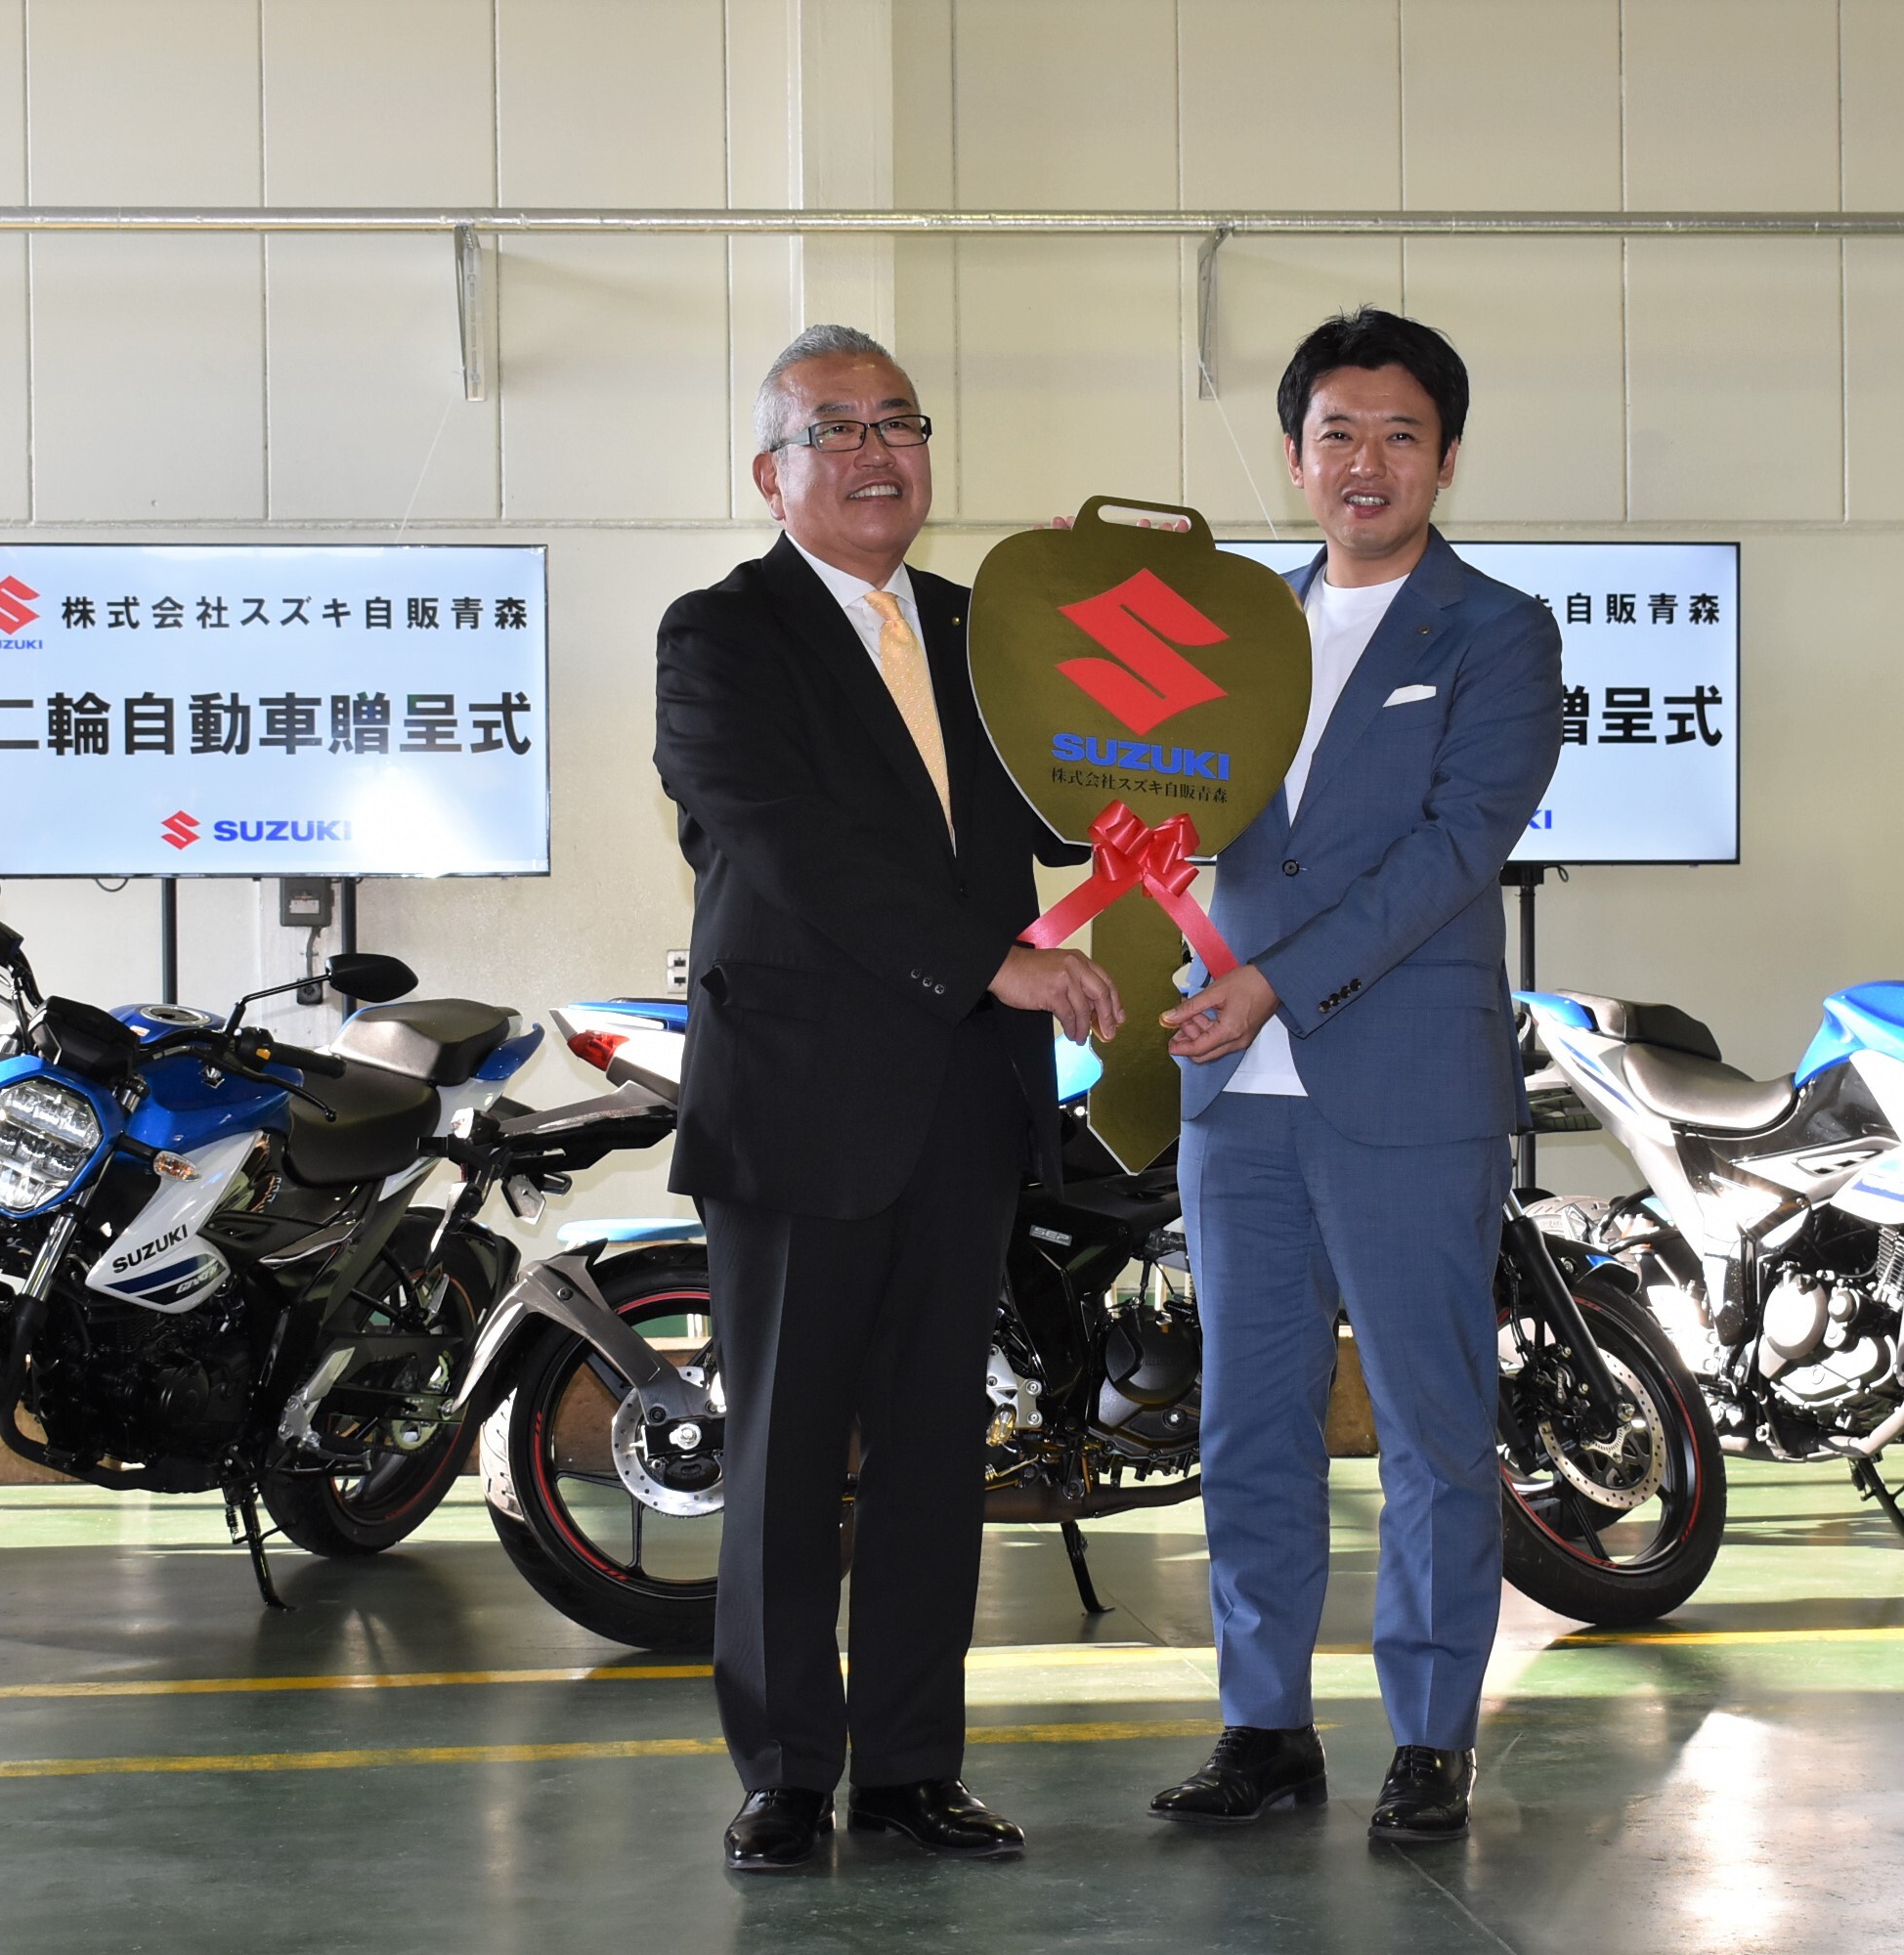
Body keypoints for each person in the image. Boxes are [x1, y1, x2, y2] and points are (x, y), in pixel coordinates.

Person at [654, 324, 1123, 1873]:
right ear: (771, 471)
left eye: (899, 423)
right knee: (788, 1456)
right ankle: (787, 1776)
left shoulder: (988, 629)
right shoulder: (722, 636)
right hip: (800, 1099)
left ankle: (915, 1770)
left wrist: (1135, 725)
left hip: (965, 1104)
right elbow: (789, 843)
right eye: (835, 427)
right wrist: (991, 963)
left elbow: (1064, 807)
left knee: (934, 1451)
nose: (874, 452)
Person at [1148, 309, 1564, 1842]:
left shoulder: (1497, 632)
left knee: (1430, 1425)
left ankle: (1432, 1735)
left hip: (1404, 1089)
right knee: (1247, 1426)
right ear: (1293, 454)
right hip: (1231, 1096)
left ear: (1446, 458)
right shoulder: (1231, 629)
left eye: (1400, 434)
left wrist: (1274, 981)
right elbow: (1127, 787)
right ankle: (1264, 1727)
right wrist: (1085, 628)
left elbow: (1455, 852)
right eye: (1338, 433)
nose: (1365, 463)